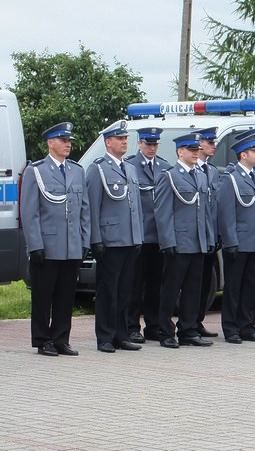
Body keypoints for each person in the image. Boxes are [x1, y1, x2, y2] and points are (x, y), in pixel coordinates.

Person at [21, 122, 89, 357]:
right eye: (63, 140)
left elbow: (84, 210)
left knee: (65, 296)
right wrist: (35, 245)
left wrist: (84, 240)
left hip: (71, 246)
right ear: (51, 143)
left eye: (69, 140)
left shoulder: (76, 170)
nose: (68, 144)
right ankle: (42, 340)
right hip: (47, 246)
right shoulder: (36, 171)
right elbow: (30, 213)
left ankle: (61, 338)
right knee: (43, 296)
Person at [86, 120, 144, 353]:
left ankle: (121, 334)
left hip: (129, 239)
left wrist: (138, 236)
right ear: (108, 142)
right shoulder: (97, 169)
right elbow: (92, 207)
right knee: (108, 291)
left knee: (124, 291)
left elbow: (135, 206)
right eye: (120, 139)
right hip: (110, 240)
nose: (124, 142)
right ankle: (105, 337)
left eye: (125, 139)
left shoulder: (129, 168)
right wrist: (96, 239)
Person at [154, 132, 215, 348]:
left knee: (193, 289)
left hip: (197, 242)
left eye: (197, 149)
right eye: (191, 150)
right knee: (171, 289)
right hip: (178, 243)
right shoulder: (169, 175)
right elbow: (163, 212)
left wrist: (207, 237)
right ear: (180, 151)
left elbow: (204, 211)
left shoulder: (200, 175)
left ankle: (188, 329)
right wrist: (168, 241)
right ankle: (165, 330)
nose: (196, 153)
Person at [217, 131, 255, 343]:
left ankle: (246, 324)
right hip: (239, 242)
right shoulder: (231, 179)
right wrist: (230, 241)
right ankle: (231, 327)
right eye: (254, 151)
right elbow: (227, 213)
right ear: (243, 155)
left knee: (251, 286)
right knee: (234, 287)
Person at [126, 127, 170, 343]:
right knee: (135, 284)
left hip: (159, 236)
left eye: (155, 144)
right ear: (139, 144)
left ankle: (153, 325)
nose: (151, 148)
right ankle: (132, 326)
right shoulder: (130, 166)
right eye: (148, 144)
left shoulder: (164, 167)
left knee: (156, 284)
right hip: (140, 235)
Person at [195, 127, 221, 338]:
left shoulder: (212, 171)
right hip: (195, 236)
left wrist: (217, 233)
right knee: (193, 283)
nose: (214, 145)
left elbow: (215, 205)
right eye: (210, 142)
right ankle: (189, 323)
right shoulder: (193, 169)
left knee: (205, 283)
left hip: (210, 235)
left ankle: (198, 320)